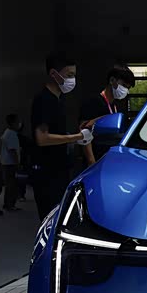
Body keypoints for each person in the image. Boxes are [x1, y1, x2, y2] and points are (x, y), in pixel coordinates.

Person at [30, 52, 93, 220]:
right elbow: (42, 138)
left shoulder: (59, 100)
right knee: (51, 219)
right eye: (69, 75)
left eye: (74, 75)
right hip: (47, 173)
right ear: (53, 74)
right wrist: (77, 137)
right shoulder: (43, 100)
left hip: (60, 170)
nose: (72, 80)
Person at [79, 66, 135, 166]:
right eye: (124, 85)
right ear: (112, 80)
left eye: (128, 88)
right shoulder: (93, 102)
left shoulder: (115, 106)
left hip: (109, 160)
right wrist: (91, 162)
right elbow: (84, 131)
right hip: (96, 159)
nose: (125, 90)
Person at [0, 114, 22, 212]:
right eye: (18, 121)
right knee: (12, 185)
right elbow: (12, 150)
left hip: (6, 162)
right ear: (13, 123)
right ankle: (10, 205)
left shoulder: (7, 132)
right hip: (10, 163)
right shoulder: (12, 134)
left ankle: (7, 204)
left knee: (9, 184)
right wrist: (17, 163)